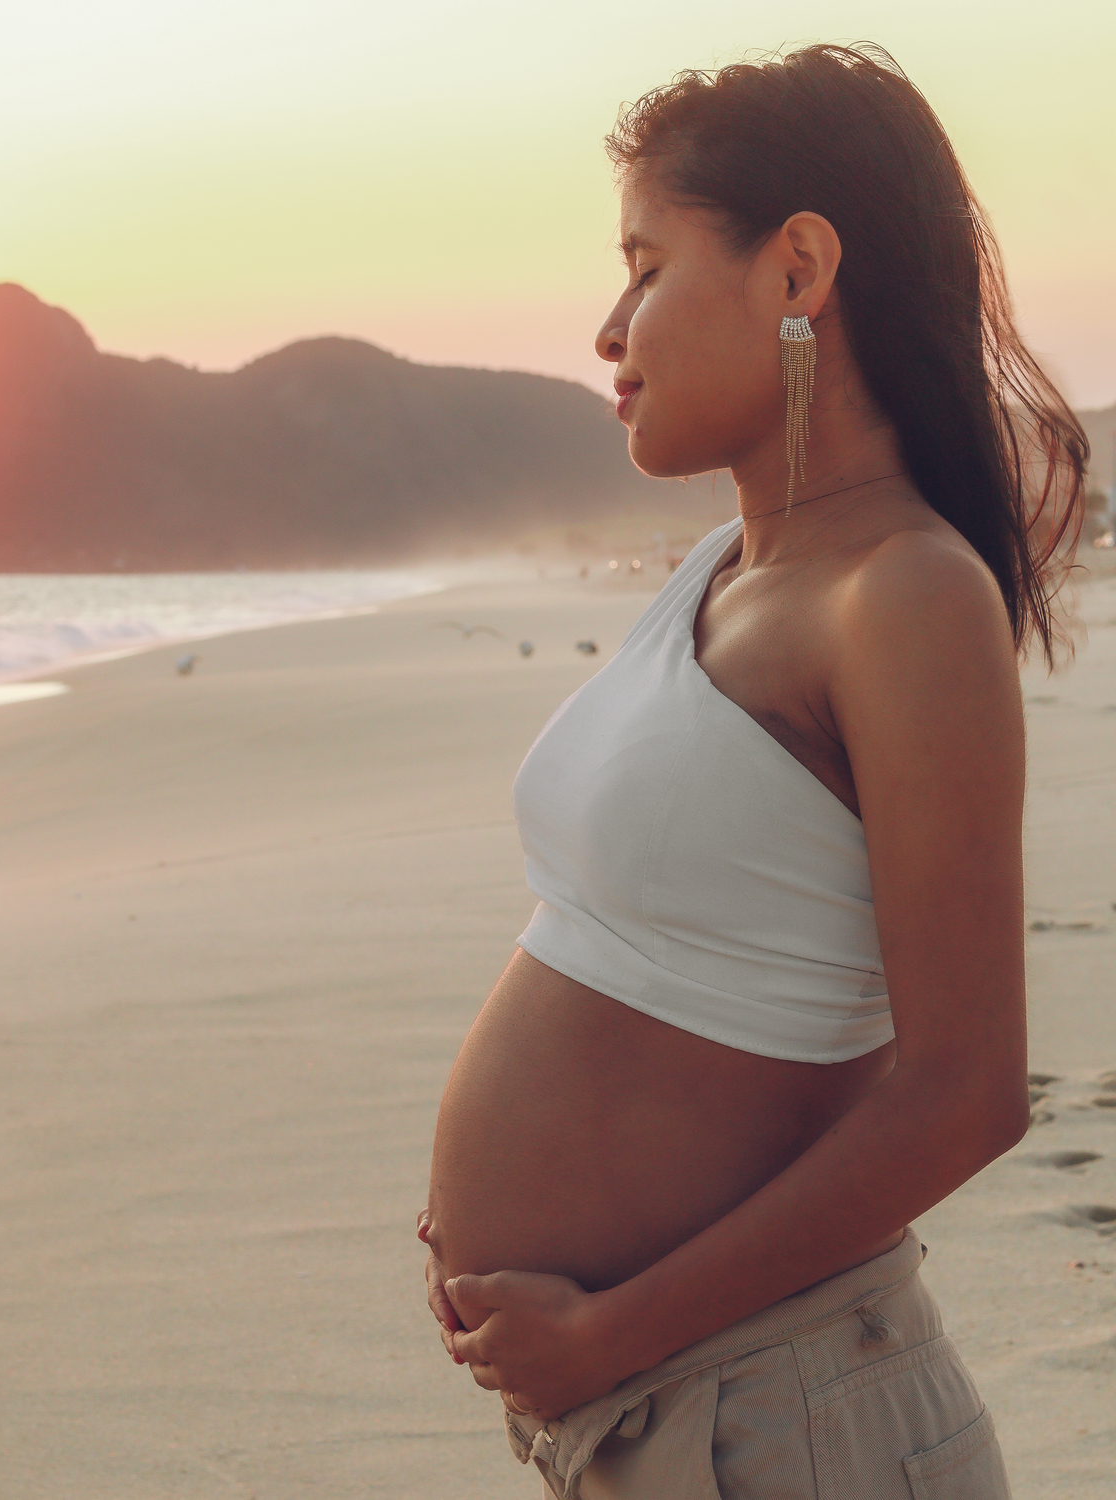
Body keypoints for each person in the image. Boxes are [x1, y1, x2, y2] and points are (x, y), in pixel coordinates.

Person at [417, 43, 1086, 1499]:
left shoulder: (902, 593)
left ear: (797, 274)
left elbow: (967, 1092)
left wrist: (607, 1324)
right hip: (666, 1412)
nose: (608, 328)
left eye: (645, 265)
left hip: (779, 1415)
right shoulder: (733, 571)